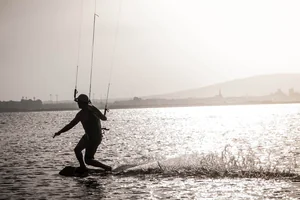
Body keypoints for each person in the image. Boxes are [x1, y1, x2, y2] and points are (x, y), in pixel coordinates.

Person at [53, 94, 112, 173]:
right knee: (77, 150)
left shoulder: (88, 111)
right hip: (88, 136)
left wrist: (59, 132)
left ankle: (107, 168)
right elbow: (71, 125)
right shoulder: (85, 112)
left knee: (88, 160)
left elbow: (104, 118)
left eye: (79, 102)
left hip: (95, 138)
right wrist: (59, 132)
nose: (78, 104)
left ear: (82, 103)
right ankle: (83, 167)